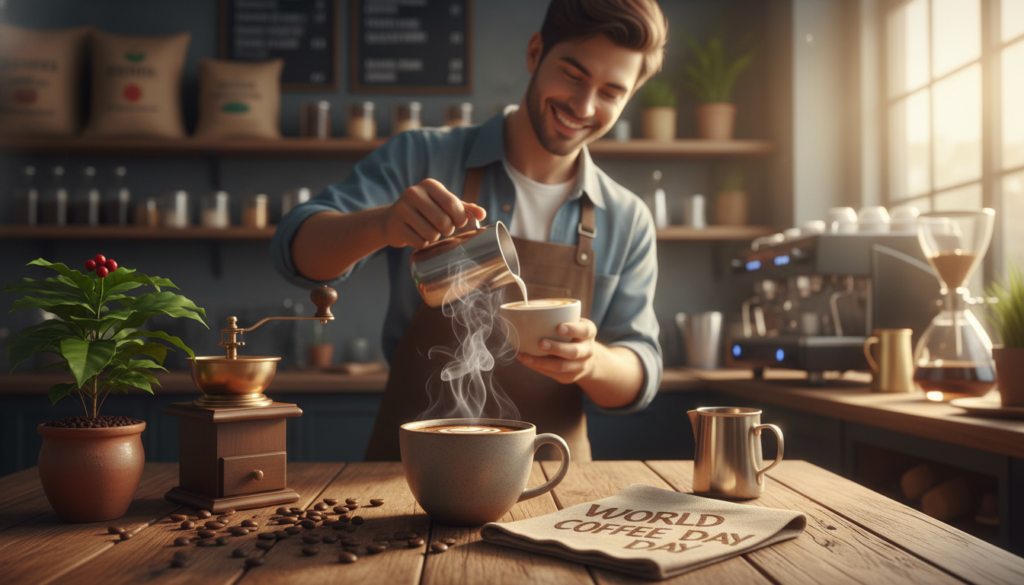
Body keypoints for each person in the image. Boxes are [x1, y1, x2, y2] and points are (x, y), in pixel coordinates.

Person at [272, 0, 667, 461]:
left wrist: (592, 361)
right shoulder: (420, 157)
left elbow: (641, 372)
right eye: (574, 75)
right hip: (409, 476)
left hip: (552, 484)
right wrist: (383, 224)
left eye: (611, 92)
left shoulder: (627, 217)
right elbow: (295, 253)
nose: (583, 106)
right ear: (535, 52)